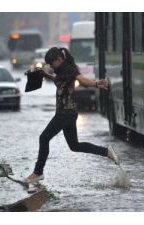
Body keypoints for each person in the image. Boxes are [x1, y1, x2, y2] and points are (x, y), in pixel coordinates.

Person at [25, 47, 119, 183]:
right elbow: (59, 82)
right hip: (69, 114)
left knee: (44, 138)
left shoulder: (70, 70)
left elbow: (82, 80)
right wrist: (46, 75)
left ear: (59, 59)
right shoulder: (61, 72)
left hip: (65, 114)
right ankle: (106, 152)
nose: (51, 66)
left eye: (52, 63)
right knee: (74, 146)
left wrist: (96, 83)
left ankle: (37, 173)